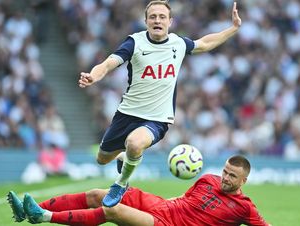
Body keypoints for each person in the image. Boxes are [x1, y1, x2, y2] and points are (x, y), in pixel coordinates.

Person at [77, 0, 243, 207]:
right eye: (153, 16)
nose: (157, 20)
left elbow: (205, 43)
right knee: (102, 159)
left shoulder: (178, 44)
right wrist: (94, 76)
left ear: (170, 21)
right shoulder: (134, 43)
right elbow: (109, 63)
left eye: (162, 17)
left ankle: (120, 184)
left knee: (135, 144)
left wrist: (233, 28)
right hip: (127, 113)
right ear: (146, 21)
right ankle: (124, 157)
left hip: (157, 118)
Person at [8, 155, 271, 226]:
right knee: (98, 194)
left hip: (167, 225)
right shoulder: (209, 179)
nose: (225, 178)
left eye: (232, 176)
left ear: (243, 181)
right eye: (225, 171)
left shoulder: (244, 207)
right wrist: (155, 202)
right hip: (163, 206)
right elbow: (185, 198)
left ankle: (42, 217)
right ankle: (28, 209)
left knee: (112, 210)